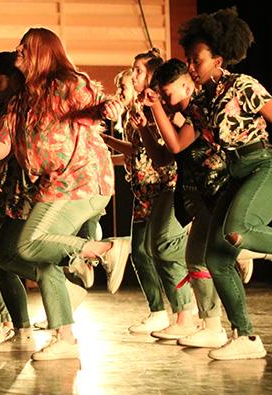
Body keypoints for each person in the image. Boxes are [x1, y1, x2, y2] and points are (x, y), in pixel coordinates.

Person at [0, 28, 130, 360]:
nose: (18, 50)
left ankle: (106, 249)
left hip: (82, 179)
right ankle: (64, 337)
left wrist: (108, 108)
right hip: (53, 185)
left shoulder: (68, 83)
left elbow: (94, 108)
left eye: (24, 47)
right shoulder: (19, 103)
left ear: (43, 51)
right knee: (27, 256)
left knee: (29, 243)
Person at [150, 8, 272, 360]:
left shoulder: (242, 86)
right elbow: (176, 145)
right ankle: (247, 338)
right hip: (235, 175)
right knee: (215, 259)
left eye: (197, 60)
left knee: (236, 230)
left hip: (265, 166)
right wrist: (153, 107)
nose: (191, 66)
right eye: (188, 59)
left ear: (217, 60)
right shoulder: (202, 101)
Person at [102, 50, 198, 338]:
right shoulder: (140, 112)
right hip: (145, 187)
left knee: (158, 249)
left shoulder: (168, 107)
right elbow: (144, 151)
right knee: (146, 253)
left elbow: (175, 146)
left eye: (137, 72)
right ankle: (164, 312)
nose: (132, 77)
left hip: (166, 184)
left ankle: (185, 310)